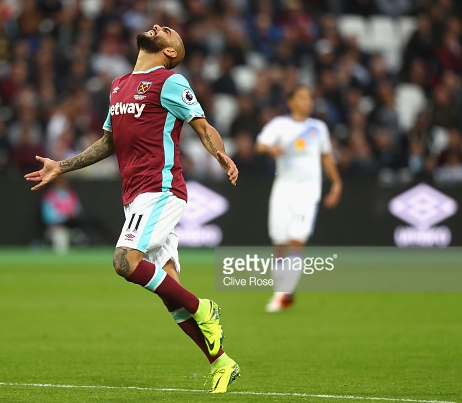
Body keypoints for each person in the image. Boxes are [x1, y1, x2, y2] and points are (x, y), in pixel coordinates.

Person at [24, 24, 240, 393]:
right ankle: (220, 361)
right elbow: (108, 142)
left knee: (124, 262)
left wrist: (218, 152)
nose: (158, 27)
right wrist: (62, 166)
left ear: (170, 51)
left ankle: (204, 309)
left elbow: (202, 126)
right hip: (135, 195)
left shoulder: (169, 81)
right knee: (169, 289)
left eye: (167, 30)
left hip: (161, 189)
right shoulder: (119, 85)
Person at [255, 86, 342, 312]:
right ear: (290, 101)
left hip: (307, 191)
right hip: (283, 189)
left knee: (297, 240)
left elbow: (326, 156)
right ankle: (281, 292)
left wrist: (336, 183)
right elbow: (260, 145)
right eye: (302, 98)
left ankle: (283, 294)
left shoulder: (318, 128)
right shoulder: (280, 125)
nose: (307, 102)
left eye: (310, 98)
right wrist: (270, 149)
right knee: (280, 244)